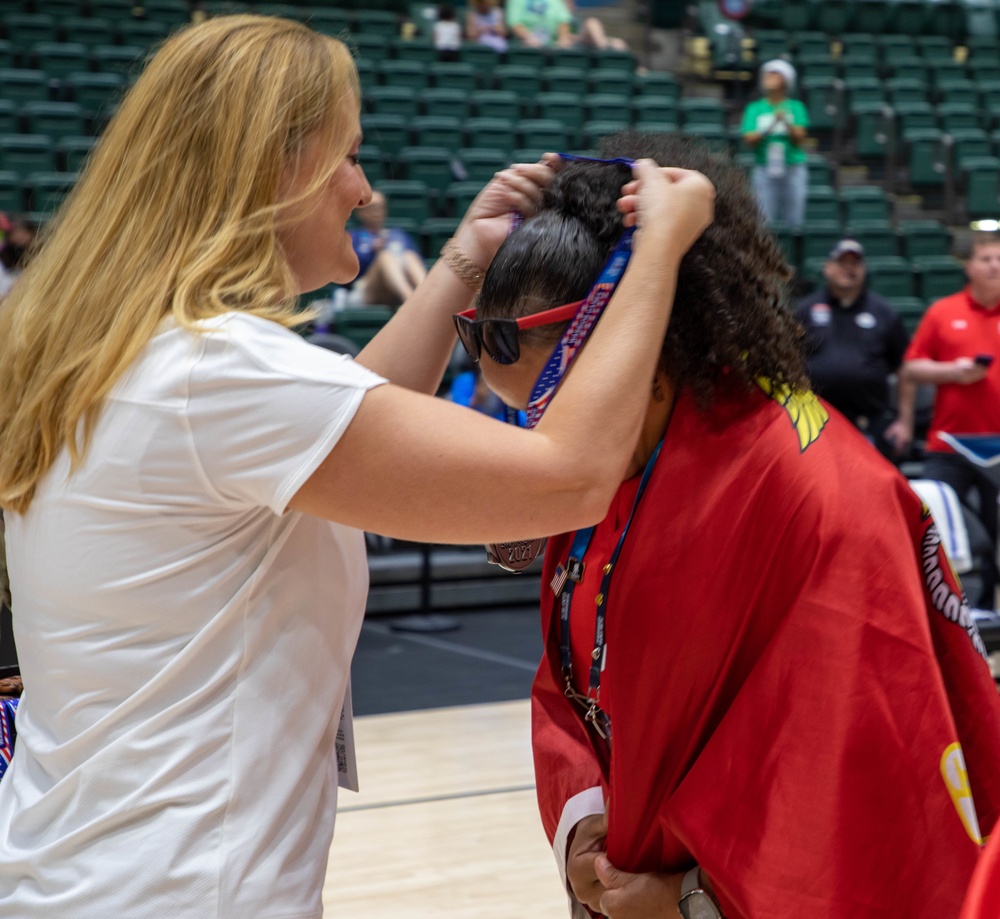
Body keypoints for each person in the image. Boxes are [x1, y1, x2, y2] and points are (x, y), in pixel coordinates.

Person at [0, 16, 715, 918]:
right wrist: (659, 248)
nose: (366, 189)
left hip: (72, 867)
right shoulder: (217, 373)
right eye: (347, 155)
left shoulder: (131, 355)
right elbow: (569, 474)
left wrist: (463, 258)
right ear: (277, 169)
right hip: (177, 888)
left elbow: (335, 420)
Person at [468, 133, 1000, 919]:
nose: (540, 444)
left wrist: (691, 898)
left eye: (543, 407)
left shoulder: (821, 494)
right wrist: (583, 826)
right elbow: (575, 679)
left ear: (637, 344)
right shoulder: (615, 455)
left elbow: (861, 769)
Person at [900, 233, 1000, 611]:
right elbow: (911, 367)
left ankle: (988, 619)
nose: (995, 265)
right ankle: (937, 612)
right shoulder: (944, 311)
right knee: (934, 531)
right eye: (986, 258)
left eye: (999, 258)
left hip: (998, 446)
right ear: (969, 267)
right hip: (949, 445)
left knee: (994, 537)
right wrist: (952, 372)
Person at [794, 237, 913, 458]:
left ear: (864, 270)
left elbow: (904, 369)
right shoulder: (805, 310)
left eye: (855, 264)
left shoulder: (884, 312)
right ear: (827, 268)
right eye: (842, 263)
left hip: (870, 422)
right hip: (815, 421)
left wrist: (904, 423)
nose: (849, 269)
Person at [741, 59, 809, 229]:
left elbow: (800, 138)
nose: (768, 78)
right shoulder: (754, 108)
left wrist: (785, 122)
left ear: (785, 80)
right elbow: (749, 139)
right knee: (764, 220)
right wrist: (771, 126)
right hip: (764, 167)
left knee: (795, 220)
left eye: (774, 75)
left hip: (793, 166)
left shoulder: (796, 107)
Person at [348, 189, 428, 308]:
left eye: (380, 207)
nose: (376, 212)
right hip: (365, 289)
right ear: (360, 212)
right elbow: (348, 273)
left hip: (396, 287)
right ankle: (410, 300)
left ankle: (427, 295)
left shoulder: (398, 235)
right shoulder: (353, 237)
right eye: (371, 207)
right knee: (385, 257)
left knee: (409, 255)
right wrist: (371, 251)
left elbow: (417, 261)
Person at [505, 0, 627, 51]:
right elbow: (514, 22)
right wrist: (528, 36)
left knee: (618, 43)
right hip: (528, 45)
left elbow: (564, 20)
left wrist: (563, 38)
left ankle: (605, 54)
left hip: (558, 45)